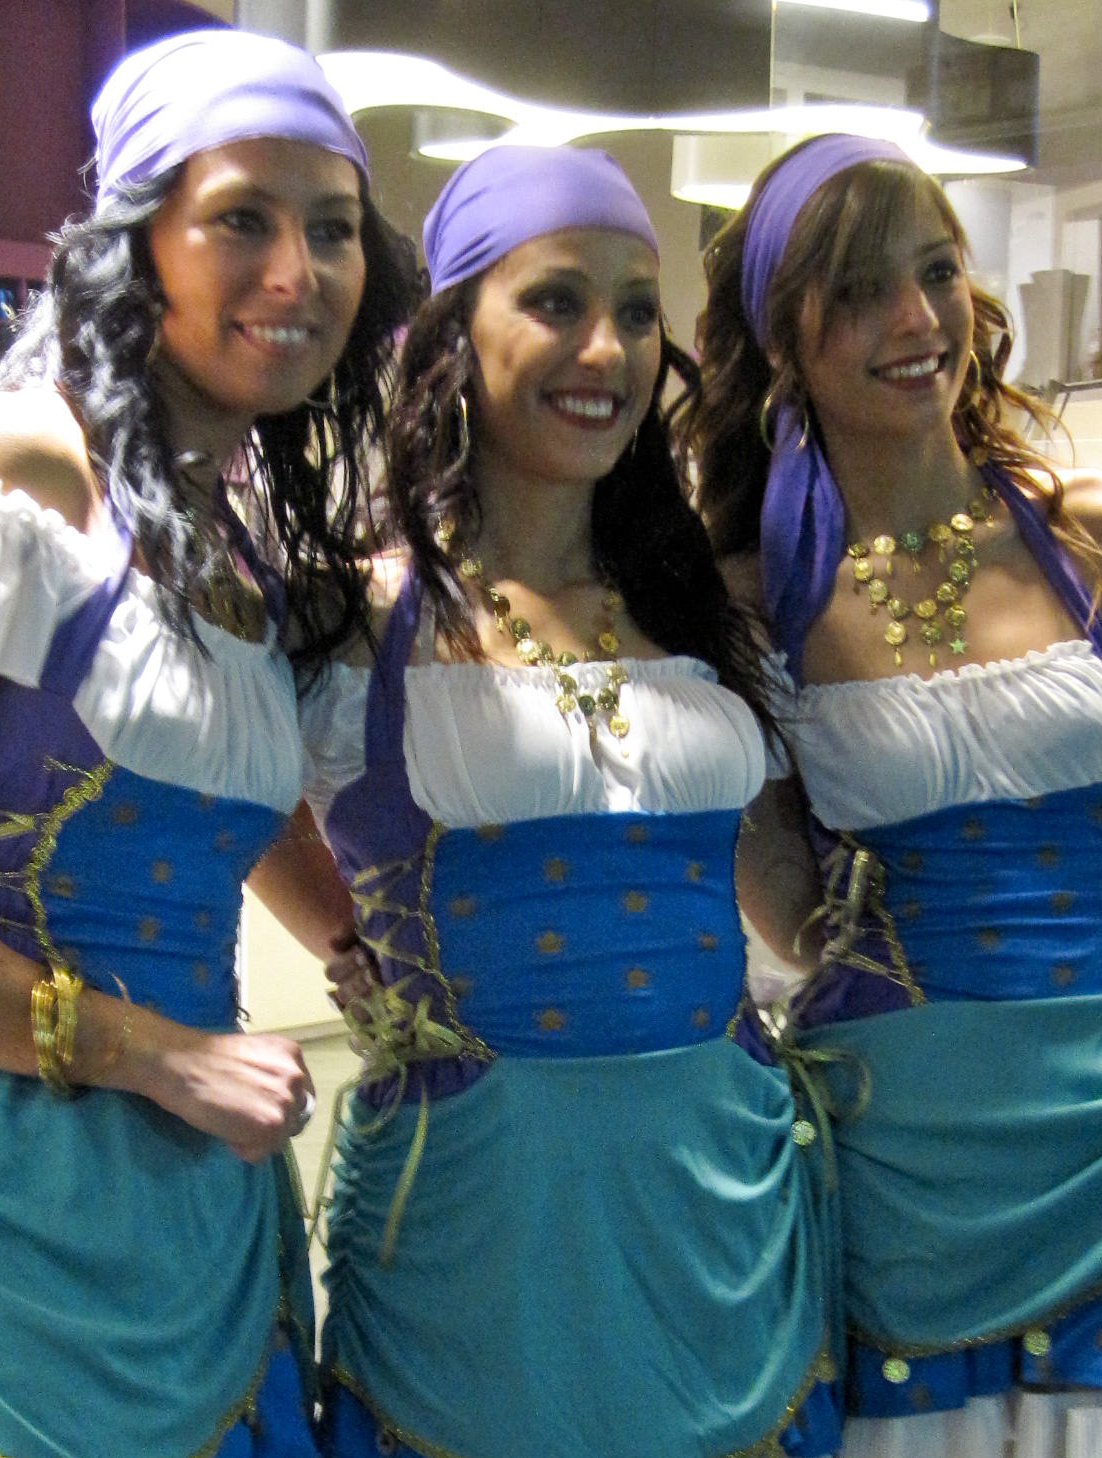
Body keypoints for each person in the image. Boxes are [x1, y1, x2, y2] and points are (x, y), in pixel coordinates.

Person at [0, 31, 419, 1458]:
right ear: (136, 246)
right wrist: (153, 1053)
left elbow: (213, 800)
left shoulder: (230, 532)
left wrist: (361, 948)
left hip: (185, 1205)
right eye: (241, 219)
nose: (297, 272)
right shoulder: (14, 471)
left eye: (333, 229)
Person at [685, 134, 1102, 1457]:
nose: (916, 319)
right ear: (782, 338)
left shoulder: (1099, 532)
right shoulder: (751, 600)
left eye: (938, 271)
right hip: (911, 1152)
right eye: (858, 291)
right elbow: (790, 914)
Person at [299, 143, 841, 1458]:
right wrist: (345, 937)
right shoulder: (354, 617)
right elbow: (205, 802)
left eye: (639, 311)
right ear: (452, 335)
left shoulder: (701, 608)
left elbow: (787, 899)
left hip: (719, 1189)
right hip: (479, 1219)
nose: (608, 348)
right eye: (555, 301)